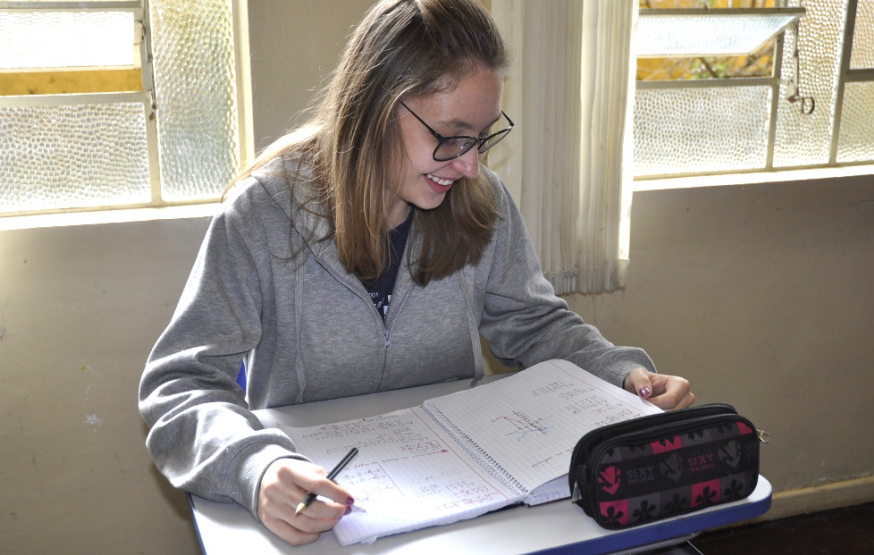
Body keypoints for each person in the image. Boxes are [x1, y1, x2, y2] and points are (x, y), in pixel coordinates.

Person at [138, 0, 694, 546]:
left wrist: (621, 374)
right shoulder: (261, 213)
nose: (470, 165)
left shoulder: (482, 202)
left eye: (481, 137)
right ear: (378, 106)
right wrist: (254, 466)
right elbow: (180, 385)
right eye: (450, 136)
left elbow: (534, 323)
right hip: (329, 513)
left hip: (466, 503)